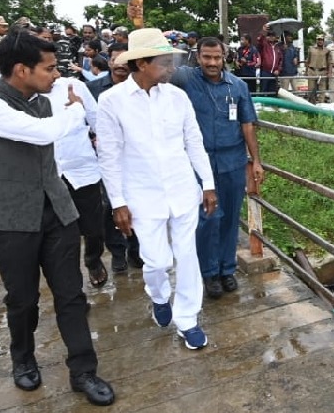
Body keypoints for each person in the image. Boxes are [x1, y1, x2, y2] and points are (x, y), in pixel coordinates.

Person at [0, 28, 114, 405]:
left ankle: (84, 371)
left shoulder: (43, 102)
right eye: (47, 68)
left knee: (71, 294)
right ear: (20, 70)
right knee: (23, 298)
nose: (55, 75)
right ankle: (23, 360)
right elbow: (41, 135)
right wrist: (76, 108)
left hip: (55, 210)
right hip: (9, 218)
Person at [96, 28, 218, 351]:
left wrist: (207, 184)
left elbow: (194, 142)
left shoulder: (178, 98)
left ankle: (188, 319)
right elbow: (108, 156)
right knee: (156, 262)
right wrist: (118, 203)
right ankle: (159, 296)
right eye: (164, 62)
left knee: (188, 256)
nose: (171, 68)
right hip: (141, 195)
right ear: (141, 64)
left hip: (181, 190)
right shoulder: (111, 102)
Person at [171, 37, 263, 299]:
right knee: (208, 218)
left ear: (225, 58)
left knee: (231, 217)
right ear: (198, 57)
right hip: (198, 163)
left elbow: (247, 125)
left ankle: (227, 269)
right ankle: (209, 272)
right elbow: (158, 65)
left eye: (217, 57)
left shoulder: (238, 86)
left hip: (232, 161)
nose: (212, 63)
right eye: (206, 57)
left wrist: (255, 160)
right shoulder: (186, 80)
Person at [42, 73, 109, 288]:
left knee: (93, 226)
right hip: (50, 174)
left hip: (82, 169)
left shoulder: (75, 86)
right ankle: (69, 282)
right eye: (48, 67)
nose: (55, 74)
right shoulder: (26, 96)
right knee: (61, 232)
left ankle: (93, 258)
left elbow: (97, 121)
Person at [98, 52, 141, 270]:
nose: (121, 64)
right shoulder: (96, 90)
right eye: (117, 59)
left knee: (138, 206)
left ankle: (135, 250)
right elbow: (85, 120)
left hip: (137, 162)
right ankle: (117, 252)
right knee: (112, 206)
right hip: (110, 160)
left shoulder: (143, 91)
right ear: (109, 62)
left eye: (126, 60)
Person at [256, 25, 280, 95]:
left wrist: (278, 69)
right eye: (269, 35)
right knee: (263, 90)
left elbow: (281, 60)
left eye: (273, 36)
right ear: (267, 37)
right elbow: (260, 40)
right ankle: (262, 105)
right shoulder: (264, 45)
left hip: (274, 73)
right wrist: (263, 31)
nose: (271, 37)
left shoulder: (278, 47)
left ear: (275, 37)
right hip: (265, 71)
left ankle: (272, 105)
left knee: (273, 91)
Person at [305, 34, 329, 103]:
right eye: (318, 39)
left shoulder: (327, 50)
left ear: (323, 41)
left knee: (322, 90)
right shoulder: (311, 48)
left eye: (321, 40)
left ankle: (321, 105)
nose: (320, 41)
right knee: (311, 89)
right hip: (312, 70)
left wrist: (328, 72)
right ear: (316, 40)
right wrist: (306, 71)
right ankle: (311, 106)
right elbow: (308, 60)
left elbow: (329, 62)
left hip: (322, 71)